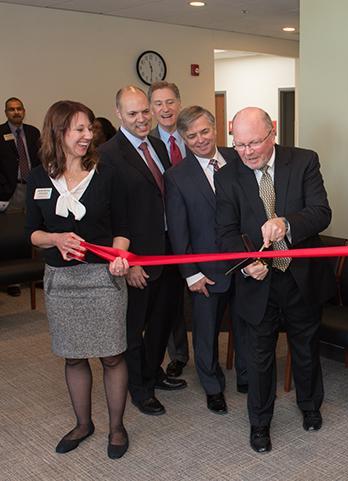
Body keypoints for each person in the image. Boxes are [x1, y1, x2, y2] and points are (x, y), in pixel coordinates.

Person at [215, 107, 335, 453]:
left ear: (274, 132)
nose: (247, 151)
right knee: (258, 355)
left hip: (299, 275)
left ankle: (310, 407)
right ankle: (259, 424)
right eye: (239, 144)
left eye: (254, 142)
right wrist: (246, 261)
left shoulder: (303, 162)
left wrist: (287, 224)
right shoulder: (227, 177)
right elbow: (225, 233)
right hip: (257, 280)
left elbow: (321, 212)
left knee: (305, 348)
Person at [25, 100, 130, 459]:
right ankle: (83, 424)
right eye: (79, 130)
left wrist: (118, 256)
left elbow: (123, 225)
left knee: (112, 356)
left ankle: (117, 428)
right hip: (61, 282)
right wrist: (55, 239)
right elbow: (33, 234)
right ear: (58, 133)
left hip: (103, 279)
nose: (88, 136)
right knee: (73, 357)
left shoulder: (107, 172)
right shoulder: (39, 177)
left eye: (90, 129)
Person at [98, 85, 186, 417]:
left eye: (144, 112)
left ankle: (153, 372)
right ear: (119, 113)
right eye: (132, 114)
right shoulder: (108, 155)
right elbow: (109, 215)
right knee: (135, 327)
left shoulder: (159, 147)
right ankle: (138, 388)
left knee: (163, 320)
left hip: (168, 250)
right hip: (137, 257)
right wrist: (128, 261)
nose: (141, 119)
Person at [165, 105, 247, 414]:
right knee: (206, 332)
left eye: (204, 132)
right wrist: (191, 274)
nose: (200, 140)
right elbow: (178, 231)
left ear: (216, 129)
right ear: (183, 139)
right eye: (191, 136)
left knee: (246, 326)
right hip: (206, 272)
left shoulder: (239, 157)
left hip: (244, 264)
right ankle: (212, 387)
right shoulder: (176, 177)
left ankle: (247, 377)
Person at [148, 81, 188, 379]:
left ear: (179, 103)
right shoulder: (147, 144)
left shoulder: (195, 137)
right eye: (159, 103)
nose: (165, 109)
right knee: (169, 300)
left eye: (170, 102)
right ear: (151, 108)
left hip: (198, 232)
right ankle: (177, 355)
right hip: (163, 234)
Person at [0, 97, 41, 210]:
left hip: (33, 188)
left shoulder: (33, 132)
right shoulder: (1, 132)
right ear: (6, 113)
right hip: (10, 190)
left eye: (19, 109)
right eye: (12, 109)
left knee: (34, 224)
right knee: (10, 225)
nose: (16, 112)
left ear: (24, 111)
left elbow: (40, 159)